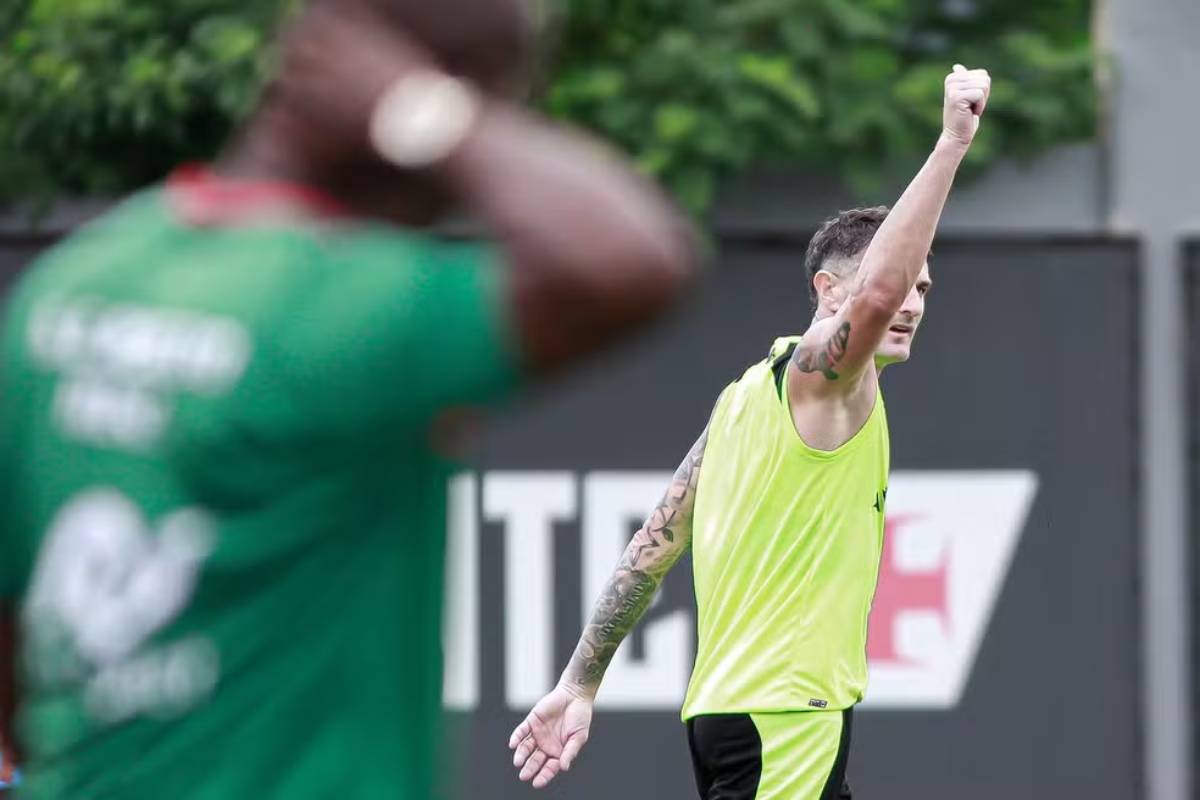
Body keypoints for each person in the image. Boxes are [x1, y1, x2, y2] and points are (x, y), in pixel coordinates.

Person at [0, 0, 697, 796]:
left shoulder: (71, 287)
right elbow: (632, 262)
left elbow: (19, 656)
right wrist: (428, 112)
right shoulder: (344, 308)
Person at [509, 64, 991, 798]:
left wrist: (579, 683)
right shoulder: (823, 379)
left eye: (927, 286)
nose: (911, 301)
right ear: (829, 292)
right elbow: (879, 293)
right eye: (901, 279)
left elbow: (651, 546)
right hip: (783, 720)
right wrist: (952, 144)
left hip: (743, 716)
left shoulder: (743, 399)